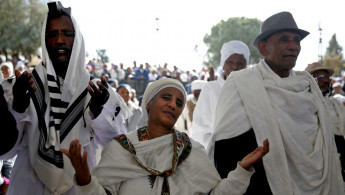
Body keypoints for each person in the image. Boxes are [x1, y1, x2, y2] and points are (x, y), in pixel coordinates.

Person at [208, 11, 344, 194]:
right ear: (263, 48)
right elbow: (226, 145)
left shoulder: (307, 85)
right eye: (284, 40)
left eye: (296, 40)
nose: (293, 46)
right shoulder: (242, 83)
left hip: (321, 183)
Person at [0, 2, 128, 194]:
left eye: (67, 33)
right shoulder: (20, 86)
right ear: (44, 41)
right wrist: (18, 108)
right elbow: (5, 153)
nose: (60, 40)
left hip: (81, 187)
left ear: (78, 40)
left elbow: (117, 151)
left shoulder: (99, 91)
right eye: (52, 34)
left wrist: (99, 113)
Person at [62, 77, 269, 195]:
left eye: (179, 103)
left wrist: (241, 171)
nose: (173, 105)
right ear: (149, 103)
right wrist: (86, 180)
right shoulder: (121, 148)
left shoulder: (191, 150)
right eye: (166, 98)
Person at [190, 40, 250, 149]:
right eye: (230, 62)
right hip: (216, 153)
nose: (235, 67)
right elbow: (200, 130)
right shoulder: (211, 89)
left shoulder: (252, 89)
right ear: (223, 65)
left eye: (240, 63)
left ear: (246, 66)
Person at [305, 62, 345, 181]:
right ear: (310, 80)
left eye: (328, 78)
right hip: (317, 167)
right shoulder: (304, 105)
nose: (326, 81)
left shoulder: (335, 104)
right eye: (321, 77)